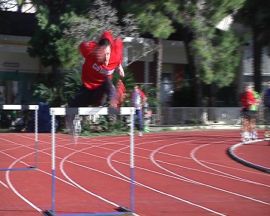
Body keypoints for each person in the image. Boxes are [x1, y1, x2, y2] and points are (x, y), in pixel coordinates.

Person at [67, 31, 125, 134]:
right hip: (87, 85)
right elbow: (81, 46)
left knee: (106, 81)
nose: (106, 60)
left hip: (102, 88)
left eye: (108, 54)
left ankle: (113, 100)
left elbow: (119, 43)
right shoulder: (90, 49)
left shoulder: (116, 52)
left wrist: (119, 66)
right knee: (74, 104)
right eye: (103, 55)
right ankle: (74, 125)